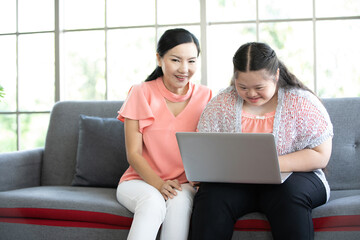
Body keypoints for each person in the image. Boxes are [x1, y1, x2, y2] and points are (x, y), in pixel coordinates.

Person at [189, 42, 333, 240]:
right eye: (243, 87)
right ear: (235, 79)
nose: (251, 94)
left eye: (259, 87)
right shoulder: (222, 103)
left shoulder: (302, 102)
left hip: (294, 178)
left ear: (275, 76)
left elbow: (320, 155)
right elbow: (203, 148)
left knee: (288, 195)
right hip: (237, 181)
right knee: (211, 197)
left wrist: (266, 165)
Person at [116, 28, 212, 240]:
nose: (184, 69)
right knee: (152, 202)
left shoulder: (207, 96)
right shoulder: (140, 92)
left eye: (192, 61)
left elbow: (211, 148)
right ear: (159, 59)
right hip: (138, 181)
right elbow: (133, 153)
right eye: (176, 60)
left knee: (178, 205)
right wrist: (159, 184)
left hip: (183, 184)